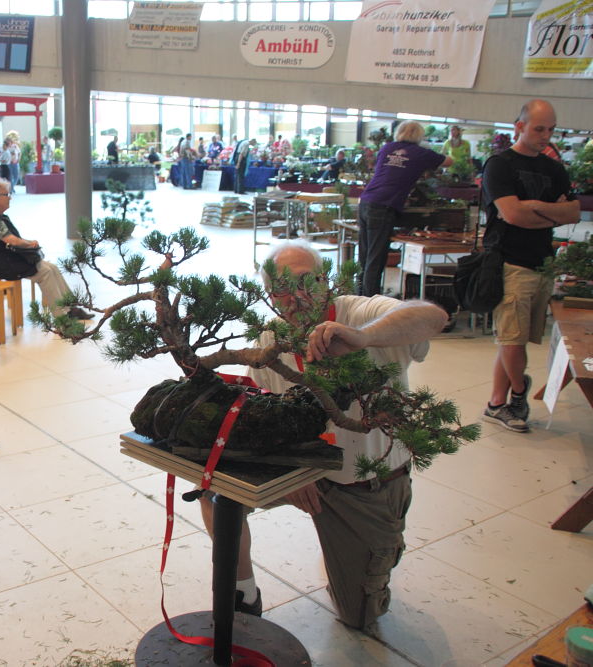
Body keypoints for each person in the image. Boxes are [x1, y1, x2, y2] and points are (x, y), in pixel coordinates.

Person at [199, 239, 447, 631]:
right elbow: (266, 408)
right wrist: (291, 469)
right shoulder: (274, 336)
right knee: (215, 490)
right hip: (308, 468)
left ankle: (369, 551)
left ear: (326, 281)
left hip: (363, 482)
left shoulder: (362, 313)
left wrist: (364, 337)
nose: (296, 295)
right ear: (270, 296)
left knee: (359, 616)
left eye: (306, 281)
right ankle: (243, 593)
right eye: (282, 288)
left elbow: (432, 316)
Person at [481, 99, 580, 433]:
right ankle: (520, 391)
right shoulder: (500, 165)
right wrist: (551, 212)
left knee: (516, 340)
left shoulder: (554, 169)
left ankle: (497, 403)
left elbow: (573, 213)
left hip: (542, 263)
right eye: (539, 129)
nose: (546, 136)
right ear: (519, 126)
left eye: (551, 129)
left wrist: (534, 208)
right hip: (509, 262)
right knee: (511, 339)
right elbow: (512, 214)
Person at [357, 121, 452, 297]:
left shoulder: (387, 148)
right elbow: (449, 161)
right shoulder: (421, 153)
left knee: (365, 257)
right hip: (384, 205)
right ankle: (370, 303)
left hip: (366, 201)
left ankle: (359, 298)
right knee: (375, 260)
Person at [0, 178, 93, 320]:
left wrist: (28, 243)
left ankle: (72, 308)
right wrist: (29, 243)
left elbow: (12, 240)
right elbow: (12, 240)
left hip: (7, 260)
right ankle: (61, 317)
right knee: (45, 272)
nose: (10, 198)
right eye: (6, 195)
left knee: (52, 267)